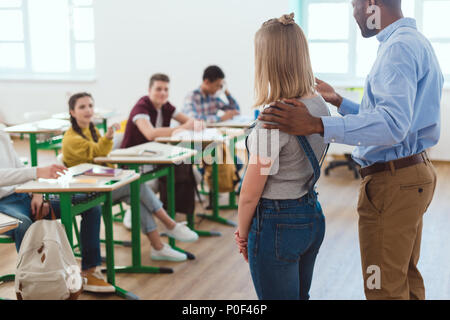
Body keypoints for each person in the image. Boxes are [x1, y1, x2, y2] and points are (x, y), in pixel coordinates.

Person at [258, 1, 444, 300]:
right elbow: (397, 120)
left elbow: (392, 126)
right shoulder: (412, 41)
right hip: (411, 176)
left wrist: (319, 125)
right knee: (404, 278)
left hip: (393, 183)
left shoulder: (398, 49)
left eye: (355, 4)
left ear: (371, 4)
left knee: (382, 286)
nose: (354, 13)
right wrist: (340, 101)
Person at [235, 13, 329, 300]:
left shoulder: (273, 118)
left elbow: (251, 191)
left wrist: (241, 234)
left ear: (267, 62)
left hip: (276, 223)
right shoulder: (319, 104)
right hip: (310, 214)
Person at [62, 92, 199, 262]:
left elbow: (100, 156)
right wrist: (109, 138)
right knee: (135, 185)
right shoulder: (71, 138)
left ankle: (159, 246)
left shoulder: (92, 130)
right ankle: (170, 226)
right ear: (72, 112)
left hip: (100, 182)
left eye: (90, 105)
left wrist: (109, 147)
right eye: (82, 107)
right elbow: (97, 154)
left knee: (135, 191)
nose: (88, 110)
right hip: (88, 189)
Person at [0, 129, 114, 293]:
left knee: (91, 204)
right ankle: (35, 286)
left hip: (23, 194)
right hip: (3, 203)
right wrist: (37, 172)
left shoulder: (2, 133)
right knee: (23, 224)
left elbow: (20, 169)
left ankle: (89, 272)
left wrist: (37, 192)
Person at [121, 73, 204, 224]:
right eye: (158, 89)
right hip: (134, 160)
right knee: (166, 177)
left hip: (156, 156)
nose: (163, 93)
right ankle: (134, 210)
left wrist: (194, 124)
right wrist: (183, 127)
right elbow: (151, 134)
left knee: (191, 174)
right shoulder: (141, 107)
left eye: (166, 89)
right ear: (149, 90)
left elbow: (189, 121)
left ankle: (168, 210)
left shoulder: (166, 106)